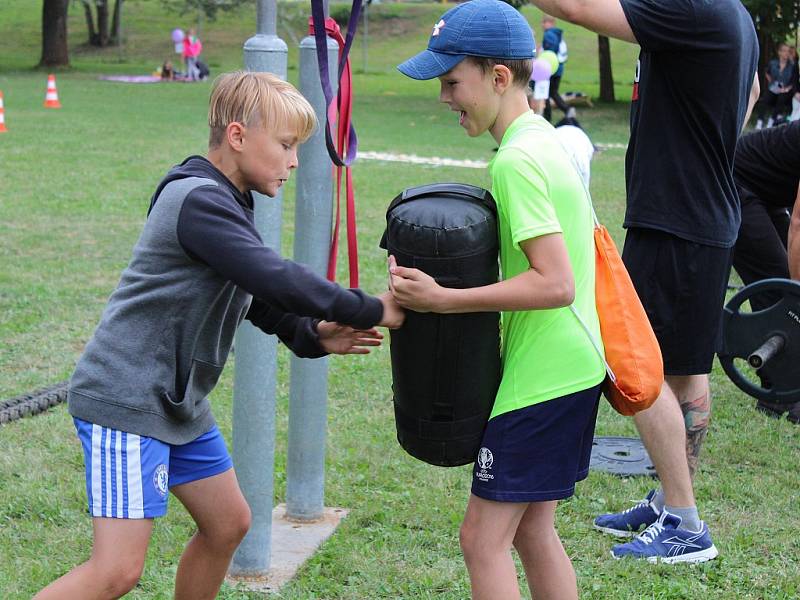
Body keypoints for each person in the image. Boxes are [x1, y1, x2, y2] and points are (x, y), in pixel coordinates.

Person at [34, 71, 404, 600]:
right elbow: (273, 276)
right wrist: (372, 308)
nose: (293, 161)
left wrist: (310, 335)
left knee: (228, 523)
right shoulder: (198, 200)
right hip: (128, 397)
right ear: (236, 136)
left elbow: (250, 294)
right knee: (116, 571)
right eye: (284, 145)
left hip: (177, 403)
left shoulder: (229, 202)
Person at [526, 0, 759, 563]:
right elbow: (747, 96)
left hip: (676, 223)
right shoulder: (733, 14)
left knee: (641, 369)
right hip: (700, 217)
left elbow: (576, 8)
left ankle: (685, 522)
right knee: (685, 372)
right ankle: (670, 502)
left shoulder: (694, 8)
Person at [394, 2, 606, 598]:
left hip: (542, 379)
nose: (445, 97)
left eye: (452, 81)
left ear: (498, 76)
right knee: (534, 531)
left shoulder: (516, 159)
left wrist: (442, 299)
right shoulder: (542, 137)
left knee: (481, 540)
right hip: (571, 367)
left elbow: (555, 282)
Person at [731, 120, 800, 423]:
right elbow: (799, 224)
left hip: (768, 193)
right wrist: (795, 296)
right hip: (734, 182)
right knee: (778, 288)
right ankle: (778, 394)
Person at [755, 43, 796, 129]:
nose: (786, 53)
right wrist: (771, 82)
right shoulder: (773, 63)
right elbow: (767, 72)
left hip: (785, 90)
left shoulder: (792, 66)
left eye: (788, 51)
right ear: (779, 52)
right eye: (784, 51)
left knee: (782, 98)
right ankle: (760, 121)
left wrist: (786, 89)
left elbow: (793, 81)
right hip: (774, 87)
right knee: (765, 98)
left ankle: (772, 121)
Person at [541, 15, 574, 123]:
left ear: (550, 23)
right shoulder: (557, 35)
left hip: (551, 68)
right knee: (553, 92)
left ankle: (547, 117)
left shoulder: (549, 34)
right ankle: (567, 110)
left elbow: (550, 52)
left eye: (544, 22)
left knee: (546, 93)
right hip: (559, 68)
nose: (542, 25)